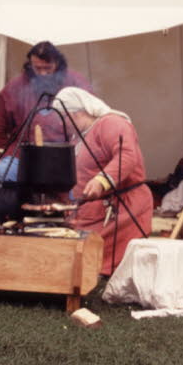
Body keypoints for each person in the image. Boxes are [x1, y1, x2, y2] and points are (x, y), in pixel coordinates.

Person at [54, 86, 153, 276]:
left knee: (93, 256)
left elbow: (127, 155)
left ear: (77, 113)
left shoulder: (112, 124)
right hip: (93, 211)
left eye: (63, 118)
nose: (61, 124)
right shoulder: (80, 136)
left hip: (124, 208)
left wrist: (101, 181)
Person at [0, 41, 92, 184]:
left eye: (48, 68)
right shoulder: (17, 86)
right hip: (23, 154)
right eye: (38, 68)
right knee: (3, 172)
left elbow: (91, 119)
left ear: (57, 64)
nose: (43, 74)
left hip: (67, 155)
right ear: (30, 64)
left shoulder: (76, 82)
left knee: (80, 180)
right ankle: (1, 207)